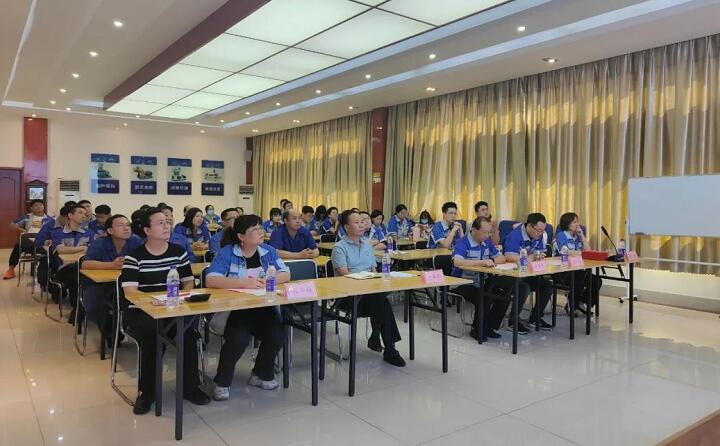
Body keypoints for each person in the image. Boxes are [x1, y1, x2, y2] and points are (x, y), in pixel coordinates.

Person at [120, 208, 210, 414]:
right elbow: (130, 292)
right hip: (143, 310)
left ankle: (190, 387)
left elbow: (188, 283)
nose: (167, 226)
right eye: (160, 223)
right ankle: (147, 392)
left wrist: (181, 298)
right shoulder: (135, 256)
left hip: (174, 307)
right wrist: (153, 302)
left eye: (167, 222)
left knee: (188, 334)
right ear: (146, 230)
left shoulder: (178, 252)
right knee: (154, 336)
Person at [206, 215, 289, 401]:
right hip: (236, 310)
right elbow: (211, 279)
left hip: (264, 308)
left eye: (260, 228)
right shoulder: (228, 252)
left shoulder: (268, 251)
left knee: (277, 335)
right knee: (238, 340)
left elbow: (285, 273)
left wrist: (269, 280)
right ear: (241, 236)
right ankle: (222, 381)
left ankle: (260, 374)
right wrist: (243, 283)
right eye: (255, 229)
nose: (261, 232)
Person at [331, 210, 405, 367]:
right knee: (381, 301)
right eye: (356, 222)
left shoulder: (367, 245)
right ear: (346, 227)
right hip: (348, 296)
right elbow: (345, 275)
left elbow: (374, 271)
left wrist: (378, 280)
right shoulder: (339, 248)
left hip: (369, 294)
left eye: (362, 222)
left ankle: (385, 344)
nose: (361, 225)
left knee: (379, 299)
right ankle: (386, 346)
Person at [452, 217, 519, 340]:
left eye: (489, 232)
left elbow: (501, 258)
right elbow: (457, 262)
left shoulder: (486, 242)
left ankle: (490, 327)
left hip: (483, 281)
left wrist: (491, 260)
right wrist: (481, 262)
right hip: (464, 282)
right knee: (484, 297)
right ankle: (477, 329)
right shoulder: (462, 242)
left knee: (504, 297)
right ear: (474, 230)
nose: (487, 235)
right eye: (484, 232)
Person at [82, 214, 143, 345]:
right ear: (110, 230)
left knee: (129, 300)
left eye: (128, 225)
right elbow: (85, 264)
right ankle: (109, 329)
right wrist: (111, 265)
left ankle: (123, 327)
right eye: (121, 225)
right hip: (99, 284)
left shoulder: (136, 241)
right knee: (95, 302)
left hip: (124, 284)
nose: (126, 228)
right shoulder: (100, 243)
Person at [503, 212, 552, 332]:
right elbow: (508, 256)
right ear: (529, 226)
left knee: (547, 285)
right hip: (512, 274)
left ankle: (535, 318)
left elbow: (540, 252)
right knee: (523, 288)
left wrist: (539, 256)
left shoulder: (539, 235)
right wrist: (528, 258)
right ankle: (513, 321)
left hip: (529, 272)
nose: (540, 233)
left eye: (543, 231)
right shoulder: (514, 236)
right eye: (538, 230)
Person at [51, 203, 94, 324]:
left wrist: (74, 249)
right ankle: (78, 309)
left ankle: (80, 309)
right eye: (80, 213)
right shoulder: (58, 232)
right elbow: (61, 250)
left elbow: (92, 249)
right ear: (70, 215)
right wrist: (82, 248)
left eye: (85, 213)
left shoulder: (89, 232)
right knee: (76, 277)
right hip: (64, 268)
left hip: (83, 267)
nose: (84, 215)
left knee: (83, 277)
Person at [554, 212, 601, 315]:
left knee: (596, 280)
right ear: (567, 223)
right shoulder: (561, 235)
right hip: (562, 271)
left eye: (577, 222)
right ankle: (572, 306)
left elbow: (588, 251)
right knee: (579, 277)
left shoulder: (578, 236)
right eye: (574, 222)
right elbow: (566, 252)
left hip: (577, 269)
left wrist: (582, 237)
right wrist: (583, 254)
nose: (577, 224)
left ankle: (581, 302)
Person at [4, 199, 51, 280]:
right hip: (28, 242)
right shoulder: (26, 217)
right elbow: (12, 225)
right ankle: (11, 270)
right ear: (31, 208)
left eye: (40, 205)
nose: (38, 206)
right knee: (19, 244)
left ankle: (46, 272)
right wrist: (23, 230)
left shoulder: (49, 219)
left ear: (44, 207)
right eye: (36, 205)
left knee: (52, 248)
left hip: (43, 244)